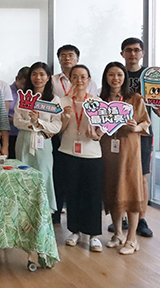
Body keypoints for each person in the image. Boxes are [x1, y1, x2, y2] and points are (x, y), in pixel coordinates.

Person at [99, 61, 149, 254]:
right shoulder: (101, 100)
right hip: (109, 150)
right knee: (113, 188)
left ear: (125, 78)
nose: (115, 78)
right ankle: (118, 233)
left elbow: (145, 123)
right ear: (106, 77)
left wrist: (135, 127)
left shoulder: (135, 98)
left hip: (130, 150)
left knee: (131, 189)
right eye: (111, 74)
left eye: (119, 75)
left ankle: (132, 239)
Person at [59, 64, 104, 252]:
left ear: (89, 80)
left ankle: (94, 235)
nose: (79, 80)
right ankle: (74, 231)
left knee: (92, 194)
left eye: (83, 77)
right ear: (70, 79)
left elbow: (103, 129)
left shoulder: (96, 101)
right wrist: (66, 118)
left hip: (92, 153)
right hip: (68, 151)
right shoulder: (63, 101)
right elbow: (59, 130)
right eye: (75, 77)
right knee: (73, 193)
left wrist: (96, 135)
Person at [118, 37, 154, 238]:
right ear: (122, 53)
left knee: (142, 177)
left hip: (142, 133)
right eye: (128, 50)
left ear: (143, 53)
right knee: (120, 173)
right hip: (119, 133)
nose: (132, 53)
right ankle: (121, 217)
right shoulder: (117, 74)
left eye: (136, 50)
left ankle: (141, 219)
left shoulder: (150, 77)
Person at [13, 62, 61, 212]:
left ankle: (43, 211)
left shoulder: (54, 100)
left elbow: (56, 125)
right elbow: (17, 121)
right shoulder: (24, 97)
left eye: (41, 74)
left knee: (43, 174)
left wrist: (39, 122)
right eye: (34, 74)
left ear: (48, 77)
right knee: (23, 174)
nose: (38, 78)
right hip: (24, 140)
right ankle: (23, 210)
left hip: (43, 142)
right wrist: (32, 123)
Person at [8, 66, 30, 159]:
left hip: (26, 134)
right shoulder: (7, 91)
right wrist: (15, 120)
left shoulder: (30, 93)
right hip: (10, 134)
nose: (25, 87)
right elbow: (0, 115)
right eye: (23, 84)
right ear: (17, 79)